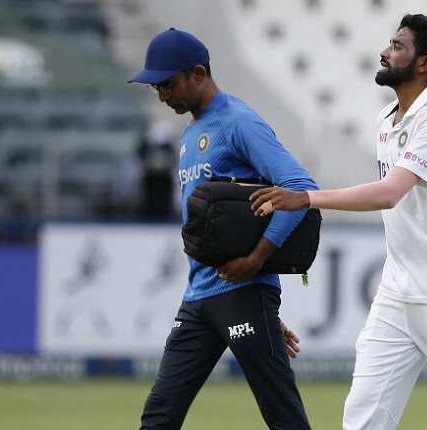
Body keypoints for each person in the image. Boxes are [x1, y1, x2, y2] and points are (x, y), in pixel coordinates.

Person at [250, 14, 427, 430]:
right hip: (397, 291)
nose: (384, 51)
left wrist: (305, 198)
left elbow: (390, 194)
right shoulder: (386, 119)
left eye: (397, 46)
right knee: (363, 416)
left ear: (423, 63)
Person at [128, 28, 315, 430]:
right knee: (158, 417)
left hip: (243, 295)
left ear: (198, 73)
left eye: (167, 83)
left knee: (284, 418)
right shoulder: (190, 132)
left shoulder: (239, 122)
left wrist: (257, 262)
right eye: (156, 87)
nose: (161, 94)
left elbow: (300, 188)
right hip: (199, 300)